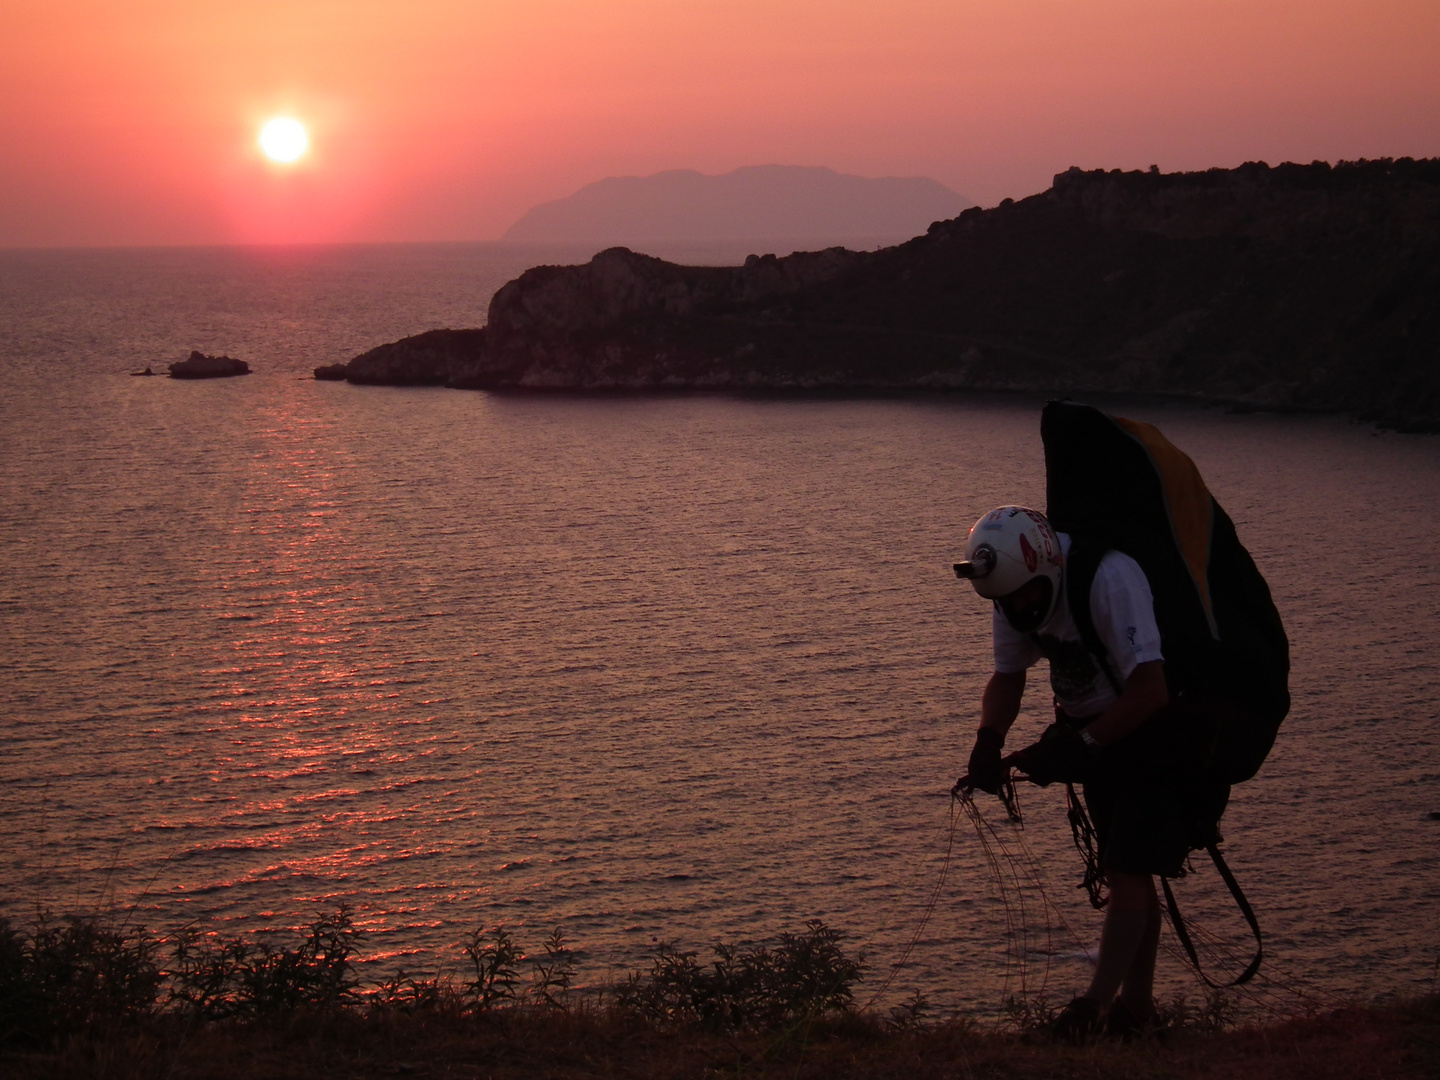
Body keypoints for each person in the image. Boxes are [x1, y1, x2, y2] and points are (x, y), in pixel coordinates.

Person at [954, 505, 1229, 1041]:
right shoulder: (1010, 591)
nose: (1019, 608)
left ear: (1045, 569)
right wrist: (988, 742)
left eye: (1025, 596)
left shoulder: (1109, 578)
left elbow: (1151, 690)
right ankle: (1138, 1011)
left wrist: (1080, 747)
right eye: (1007, 602)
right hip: (1093, 739)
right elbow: (1008, 677)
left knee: (1126, 868)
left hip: (1152, 733)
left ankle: (1092, 1010)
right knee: (1130, 871)